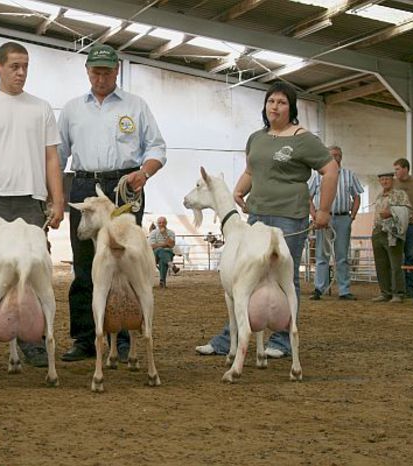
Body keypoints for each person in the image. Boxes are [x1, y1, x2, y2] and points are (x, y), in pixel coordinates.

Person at [195, 81, 338, 359]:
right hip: (256, 214)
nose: (275, 106)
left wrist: (324, 210)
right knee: (243, 276)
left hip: (290, 217)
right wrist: (238, 189)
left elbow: (330, 170)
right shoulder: (256, 138)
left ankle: (283, 340)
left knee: (285, 278)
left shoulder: (303, 138)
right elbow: (251, 170)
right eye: (271, 101)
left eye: (282, 102)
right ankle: (231, 338)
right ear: (265, 105)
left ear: (291, 107)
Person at [58, 44, 167, 362]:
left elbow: (157, 147)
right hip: (82, 187)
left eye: (107, 71)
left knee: (126, 263)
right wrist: (53, 191)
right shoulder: (72, 109)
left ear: (117, 70)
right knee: (83, 264)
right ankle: (84, 338)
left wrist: (144, 173)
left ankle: (124, 338)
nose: (101, 77)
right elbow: (59, 153)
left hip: (125, 188)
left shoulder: (136, 106)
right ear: (87, 71)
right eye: (96, 71)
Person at [0, 41, 65, 368]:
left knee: (35, 273)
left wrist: (57, 199)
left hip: (32, 204)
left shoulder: (42, 108)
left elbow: (51, 158)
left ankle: (34, 344)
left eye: (25, 67)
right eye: (14, 66)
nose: (21, 73)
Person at [309, 146, 363, 300]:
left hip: (342, 218)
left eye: (338, 154)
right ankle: (320, 289)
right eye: (332, 154)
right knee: (321, 255)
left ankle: (344, 290)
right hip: (323, 219)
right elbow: (308, 196)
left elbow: (357, 196)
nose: (336, 157)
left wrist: (352, 216)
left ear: (342, 156)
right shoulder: (318, 176)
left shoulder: (349, 175)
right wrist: (314, 215)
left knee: (342, 256)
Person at [371, 172, 411, 303]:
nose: (384, 181)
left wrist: (391, 213)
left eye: (387, 179)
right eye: (382, 179)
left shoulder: (400, 194)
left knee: (395, 264)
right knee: (381, 264)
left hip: (392, 232)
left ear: (392, 180)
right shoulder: (379, 195)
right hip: (378, 231)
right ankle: (385, 292)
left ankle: (398, 293)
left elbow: (406, 211)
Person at [392, 158, 413, 298]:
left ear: (405, 168)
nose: (395, 172)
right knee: (397, 255)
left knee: (410, 255)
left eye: (397, 169)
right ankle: (398, 287)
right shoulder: (393, 183)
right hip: (396, 224)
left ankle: (410, 288)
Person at [149, 216, 179, 287]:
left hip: (168, 253)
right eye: (159, 223)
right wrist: (165, 244)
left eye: (163, 222)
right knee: (160, 250)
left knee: (162, 260)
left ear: (166, 223)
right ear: (157, 224)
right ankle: (171, 265)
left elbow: (172, 245)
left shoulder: (171, 232)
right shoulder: (153, 232)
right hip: (155, 254)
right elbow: (152, 246)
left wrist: (165, 235)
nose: (161, 224)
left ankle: (162, 281)